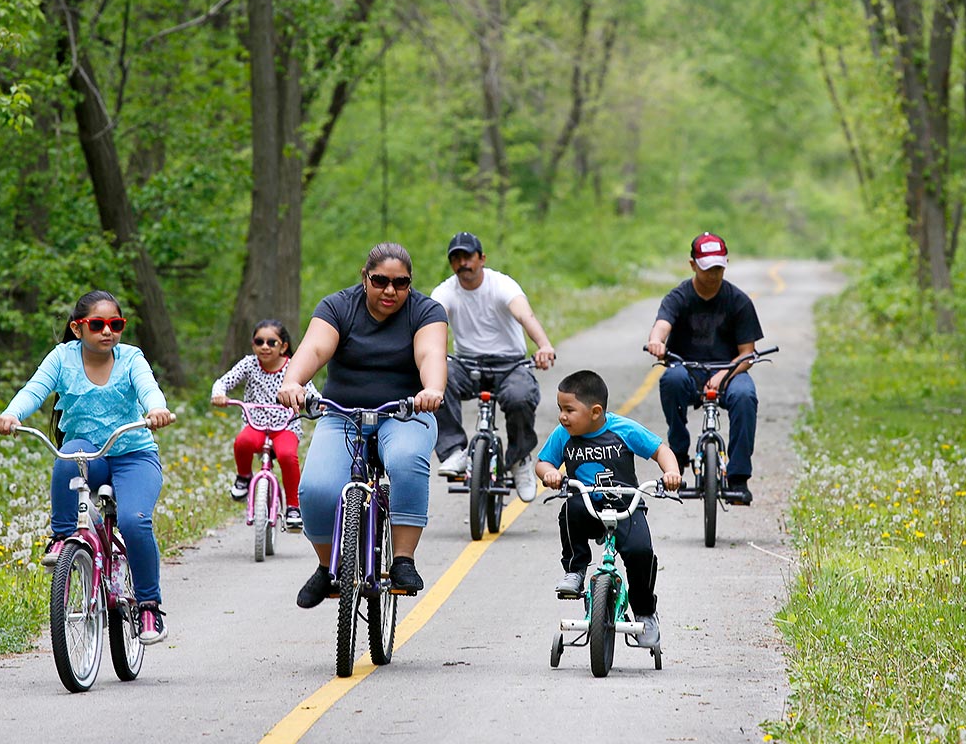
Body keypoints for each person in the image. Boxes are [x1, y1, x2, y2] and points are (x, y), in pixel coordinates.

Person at [0, 290, 176, 644]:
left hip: (134, 455)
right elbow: (35, 389)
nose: (107, 332)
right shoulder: (62, 358)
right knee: (67, 460)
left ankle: (149, 606)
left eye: (115, 324)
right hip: (91, 455)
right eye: (97, 325)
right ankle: (62, 537)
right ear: (78, 328)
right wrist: (12, 414)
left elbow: (149, 389)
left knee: (135, 523)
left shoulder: (131, 358)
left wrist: (156, 409)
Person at [277, 243, 448, 606]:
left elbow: (430, 353)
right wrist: (292, 381)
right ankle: (327, 568)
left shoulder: (426, 311)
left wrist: (431, 389)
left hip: (405, 413)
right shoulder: (337, 306)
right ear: (364, 277)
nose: (390, 291)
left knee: (405, 461)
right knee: (317, 488)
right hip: (342, 412)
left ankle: (402, 559)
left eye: (400, 283)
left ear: (410, 284)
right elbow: (315, 349)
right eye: (380, 281)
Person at [536, 369, 681, 650]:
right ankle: (575, 570)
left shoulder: (623, 429)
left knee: (641, 552)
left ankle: (645, 612)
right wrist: (550, 473)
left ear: (595, 412)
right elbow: (543, 462)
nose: (562, 416)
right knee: (570, 509)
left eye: (568, 409)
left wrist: (671, 472)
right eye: (560, 409)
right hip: (588, 504)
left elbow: (660, 450)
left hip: (625, 504)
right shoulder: (563, 434)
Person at [430, 230, 557, 502]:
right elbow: (431, 323)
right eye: (456, 258)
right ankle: (455, 452)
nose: (463, 263)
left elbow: (525, 315)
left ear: (482, 258)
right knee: (437, 379)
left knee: (520, 396)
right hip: (467, 365)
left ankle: (519, 458)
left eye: (468, 257)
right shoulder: (445, 291)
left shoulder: (502, 285)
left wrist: (544, 345)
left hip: (510, 364)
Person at [644, 231, 765, 504]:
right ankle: (678, 450)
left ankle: (738, 477)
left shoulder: (739, 301)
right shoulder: (679, 296)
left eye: (719, 268)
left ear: (726, 264)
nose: (713, 274)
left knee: (746, 396)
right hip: (687, 369)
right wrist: (656, 341)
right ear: (693, 265)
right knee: (670, 380)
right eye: (708, 268)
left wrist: (723, 375)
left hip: (731, 370)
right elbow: (662, 324)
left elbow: (747, 354)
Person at [211, 319, 316, 530]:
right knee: (242, 442)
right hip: (256, 423)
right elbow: (224, 381)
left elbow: (309, 389)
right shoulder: (249, 364)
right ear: (253, 345)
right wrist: (219, 394)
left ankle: (294, 507)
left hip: (286, 425)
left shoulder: (293, 366)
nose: (265, 346)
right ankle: (244, 477)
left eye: (271, 342)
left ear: (283, 346)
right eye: (259, 342)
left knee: (288, 456)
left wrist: (316, 402)